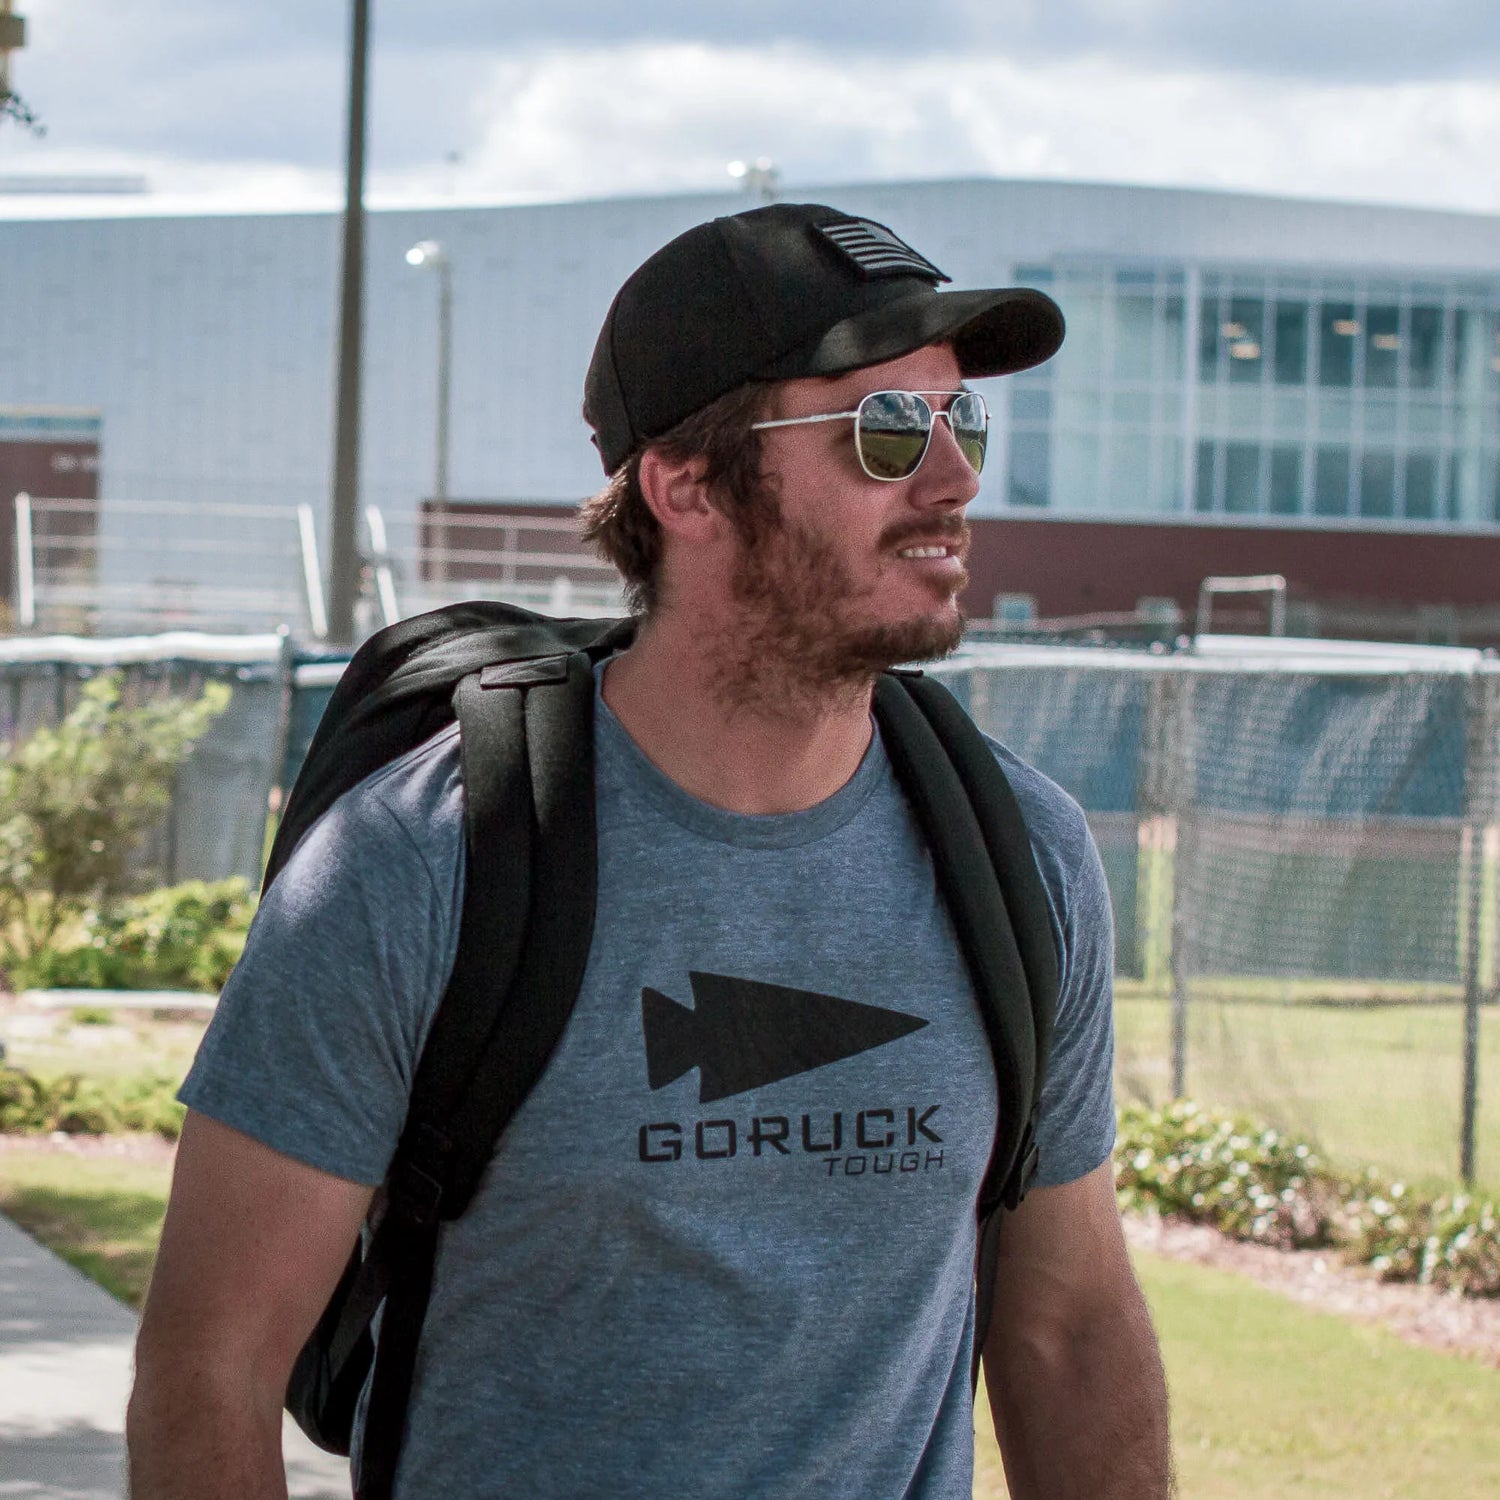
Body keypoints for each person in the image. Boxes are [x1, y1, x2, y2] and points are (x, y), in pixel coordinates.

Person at [128, 202, 1172, 1500]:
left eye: (961, 421)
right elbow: (208, 1369)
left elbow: (1066, 1332)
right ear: (685, 484)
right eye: (884, 429)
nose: (952, 479)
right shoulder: (420, 862)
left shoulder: (1025, 857)